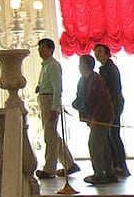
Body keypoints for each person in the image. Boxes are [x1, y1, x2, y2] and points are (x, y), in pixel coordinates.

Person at [35, 38, 79, 179]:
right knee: (53, 135)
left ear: (50, 49)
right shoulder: (45, 66)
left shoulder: (53, 65)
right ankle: (69, 164)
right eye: (39, 47)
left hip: (49, 101)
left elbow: (57, 89)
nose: (40, 50)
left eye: (43, 47)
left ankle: (49, 169)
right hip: (44, 99)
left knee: (50, 136)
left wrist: (54, 108)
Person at [76, 55, 117, 185]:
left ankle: (99, 174)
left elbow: (102, 100)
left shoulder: (95, 80)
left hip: (101, 118)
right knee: (102, 145)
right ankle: (109, 173)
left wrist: (95, 118)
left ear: (84, 66)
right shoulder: (87, 80)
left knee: (94, 145)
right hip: (97, 117)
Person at [95, 43, 129, 177]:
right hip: (108, 105)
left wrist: (111, 108)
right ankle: (114, 163)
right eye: (95, 51)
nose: (97, 53)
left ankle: (121, 165)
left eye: (99, 51)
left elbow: (114, 90)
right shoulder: (102, 69)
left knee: (114, 134)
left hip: (114, 104)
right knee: (110, 135)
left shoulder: (111, 69)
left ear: (107, 53)